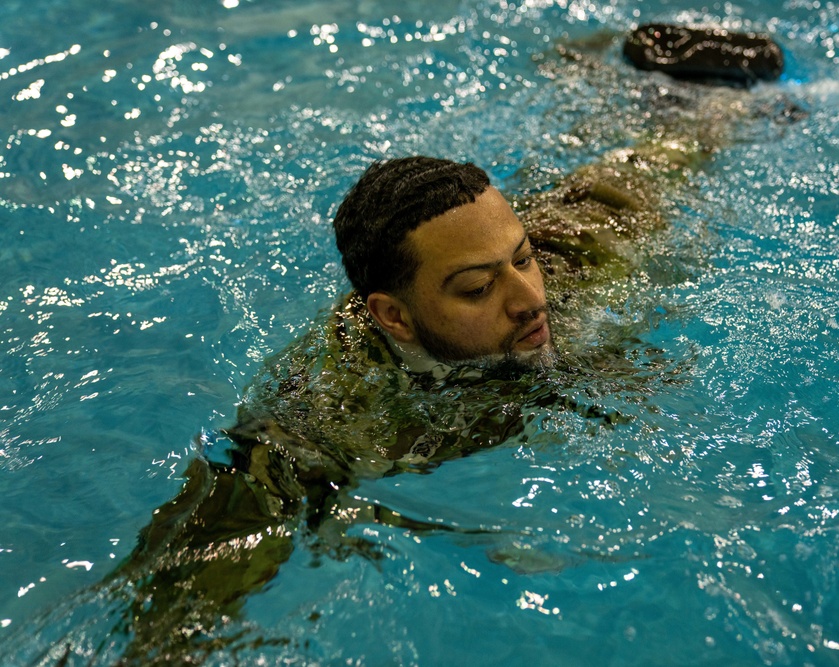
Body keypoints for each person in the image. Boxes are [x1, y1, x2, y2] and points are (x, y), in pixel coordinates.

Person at [58, 24, 797, 664]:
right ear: (395, 317)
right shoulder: (337, 406)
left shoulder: (577, 267)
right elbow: (202, 562)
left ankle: (598, 71)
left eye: (521, 259)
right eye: (477, 288)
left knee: (687, 138)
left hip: (587, 227)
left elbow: (625, 207)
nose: (527, 299)